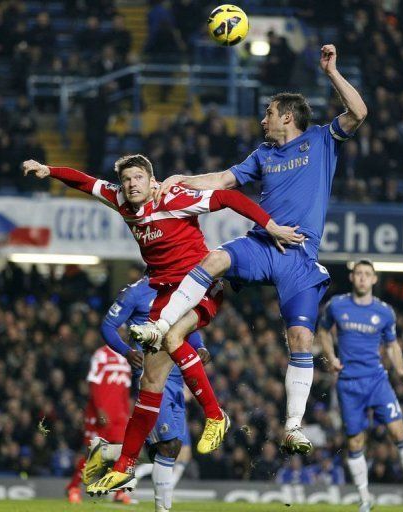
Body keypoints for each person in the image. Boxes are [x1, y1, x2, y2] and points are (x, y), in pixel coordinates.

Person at [130, 44, 368, 455]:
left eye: (269, 113)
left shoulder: (321, 139)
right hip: (263, 244)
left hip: (299, 254)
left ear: (287, 117)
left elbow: (359, 113)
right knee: (215, 258)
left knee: (300, 338)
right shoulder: (263, 154)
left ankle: (293, 426)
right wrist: (181, 178)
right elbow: (223, 180)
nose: (263, 120)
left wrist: (332, 73)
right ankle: (161, 325)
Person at [23, 155, 301, 494]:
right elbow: (84, 182)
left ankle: (215, 415)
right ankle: (124, 466)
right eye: (127, 180)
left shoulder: (174, 198)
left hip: (201, 286)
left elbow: (229, 197)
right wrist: (48, 170)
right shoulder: (122, 201)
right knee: (150, 380)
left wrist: (270, 226)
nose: (132, 184)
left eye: (138, 177)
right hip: (166, 295)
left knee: (171, 337)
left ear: (153, 181)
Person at [83, 275, 208, 511]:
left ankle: (108, 453)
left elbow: (189, 326)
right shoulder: (136, 292)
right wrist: (127, 351)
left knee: (169, 449)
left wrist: (200, 347)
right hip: (152, 376)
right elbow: (108, 326)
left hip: (178, 375)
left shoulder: (180, 288)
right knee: (168, 445)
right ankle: (163, 509)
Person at [318, 259, 403, 512]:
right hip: (349, 384)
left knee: (399, 434)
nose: (362, 277)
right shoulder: (337, 305)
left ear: (374, 279)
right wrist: (331, 356)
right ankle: (365, 500)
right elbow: (324, 331)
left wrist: (402, 371)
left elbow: (392, 346)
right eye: (358, 273)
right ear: (352, 278)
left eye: (367, 274)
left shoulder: (385, 312)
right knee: (355, 443)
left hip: (377, 381)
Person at [66, 344, 132, 504]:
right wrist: (100, 409)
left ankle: (119, 492)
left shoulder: (126, 357)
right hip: (100, 413)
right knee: (93, 452)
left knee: (123, 452)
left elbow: (125, 390)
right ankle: (73, 487)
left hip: (119, 414)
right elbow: (94, 384)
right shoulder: (101, 354)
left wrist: (126, 413)